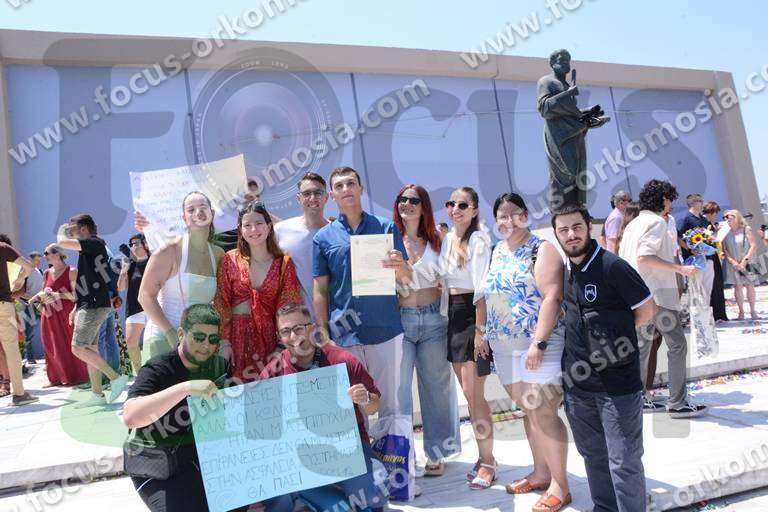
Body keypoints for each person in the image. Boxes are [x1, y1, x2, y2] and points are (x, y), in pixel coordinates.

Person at [552, 203, 656, 512]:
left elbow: (647, 309)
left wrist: (616, 339)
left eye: (576, 227)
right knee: (593, 457)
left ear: (590, 228)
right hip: (579, 388)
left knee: (624, 461)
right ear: (557, 235)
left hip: (617, 387)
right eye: (563, 230)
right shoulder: (566, 272)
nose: (571, 235)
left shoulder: (613, 266)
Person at [481, 193, 570, 511]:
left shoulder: (541, 249)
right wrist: (485, 333)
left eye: (515, 213)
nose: (509, 220)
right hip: (504, 347)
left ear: (526, 215)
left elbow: (553, 297)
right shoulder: (497, 250)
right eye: (502, 216)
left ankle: (561, 485)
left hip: (538, 345)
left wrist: (538, 343)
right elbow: (491, 295)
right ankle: (541, 473)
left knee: (544, 411)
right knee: (529, 410)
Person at [261, 303, 387, 512]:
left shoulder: (342, 360)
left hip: (348, 450)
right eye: (285, 331)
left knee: (376, 490)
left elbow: (374, 407)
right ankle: (313, 496)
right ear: (279, 337)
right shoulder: (271, 374)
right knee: (275, 494)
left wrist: (365, 398)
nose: (293, 336)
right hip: (298, 456)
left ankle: (317, 497)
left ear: (311, 328)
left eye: (298, 328)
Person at [122, 304, 246, 512]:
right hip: (156, 466)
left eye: (213, 339)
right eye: (199, 337)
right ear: (181, 334)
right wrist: (186, 388)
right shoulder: (158, 368)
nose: (206, 345)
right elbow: (130, 416)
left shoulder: (218, 366)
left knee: (238, 500)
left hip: (196, 460)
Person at [313, 167, 411, 421]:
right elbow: (320, 290)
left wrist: (400, 266)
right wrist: (323, 333)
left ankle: (395, 449)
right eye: (339, 186)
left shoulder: (386, 227)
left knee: (391, 406)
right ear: (332, 195)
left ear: (361, 189)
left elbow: (407, 279)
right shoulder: (323, 238)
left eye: (350, 183)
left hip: (385, 330)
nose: (346, 189)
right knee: (353, 407)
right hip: (344, 335)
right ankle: (365, 449)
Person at [618, 180, 707, 418]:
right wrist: (680, 269)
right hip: (658, 293)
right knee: (677, 344)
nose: (670, 205)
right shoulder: (656, 222)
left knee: (642, 347)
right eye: (669, 200)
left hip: (636, 296)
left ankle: (639, 399)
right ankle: (677, 402)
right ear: (663, 199)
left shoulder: (632, 224)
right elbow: (644, 256)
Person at [393, 184, 460, 476]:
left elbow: (453, 276)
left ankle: (437, 453)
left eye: (414, 200)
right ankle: (401, 455)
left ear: (424, 207)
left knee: (437, 387)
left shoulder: (438, 240)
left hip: (434, 320)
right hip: (400, 320)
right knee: (399, 391)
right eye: (402, 199)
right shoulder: (388, 239)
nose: (406, 204)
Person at [439, 186, 495, 490]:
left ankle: (488, 462)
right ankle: (483, 456)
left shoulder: (479, 239)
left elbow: (482, 288)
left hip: (473, 316)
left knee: (476, 396)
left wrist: (480, 331)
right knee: (470, 397)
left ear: (474, 209)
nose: (455, 209)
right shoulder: (448, 239)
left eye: (463, 204)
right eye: (451, 204)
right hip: (454, 316)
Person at [214, 201, 302, 382]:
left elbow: (289, 307)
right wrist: (224, 342)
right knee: (236, 393)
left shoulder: (283, 263)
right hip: (235, 343)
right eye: (247, 225)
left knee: (271, 392)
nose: (254, 229)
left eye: (259, 223)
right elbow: (221, 303)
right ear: (240, 230)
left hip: (271, 343)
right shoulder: (229, 259)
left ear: (269, 226)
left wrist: (281, 346)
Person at [139, 192, 224, 363]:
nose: (198, 212)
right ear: (184, 218)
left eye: (203, 207)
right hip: (163, 340)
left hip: (199, 346)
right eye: (191, 210)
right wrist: (170, 333)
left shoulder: (218, 254)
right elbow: (145, 296)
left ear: (212, 213)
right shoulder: (169, 250)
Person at [56, 214, 130, 407]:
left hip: (94, 306)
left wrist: (62, 229)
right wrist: (76, 306)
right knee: (90, 349)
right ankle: (97, 395)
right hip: (89, 304)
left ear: (83, 229)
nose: (70, 231)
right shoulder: (89, 248)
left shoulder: (94, 243)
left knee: (78, 348)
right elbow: (87, 282)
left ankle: (115, 378)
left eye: (72, 228)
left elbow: (62, 242)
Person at [273, 172, 330, 318]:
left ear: (326, 197)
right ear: (299, 198)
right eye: (307, 193)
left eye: (318, 192)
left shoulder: (337, 232)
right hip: (298, 322)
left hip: (337, 317)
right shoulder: (280, 231)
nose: (312, 198)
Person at [31, 244, 88, 387]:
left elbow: (76, 296)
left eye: (46, 253)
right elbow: (43, 292)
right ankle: (55, 378)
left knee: (68, 343)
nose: (44, 256)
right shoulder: (46, 273)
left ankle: (75, 376)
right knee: (51, 344)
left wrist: (58, 295)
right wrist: (38, 301)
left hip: (66, 313)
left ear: (57, 254)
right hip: (48, 314)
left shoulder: (71, 271)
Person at [0, 234, 38, 405]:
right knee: (11, 349)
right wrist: (20, 279)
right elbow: (29, 266)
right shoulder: (3, 247)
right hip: (3, 304)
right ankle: (19, 394)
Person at [118, 234, 150, 374]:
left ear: (145, 244)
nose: (132, 246)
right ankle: (139, 374)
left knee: (155, 342)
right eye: (130, 244)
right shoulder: (130, 264)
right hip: (134, 307)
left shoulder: (153, 261)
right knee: (131, 342)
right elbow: (121, 288)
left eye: (135, 243)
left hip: (153, 307)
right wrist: (123, 271)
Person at [677, 193, 715, 303]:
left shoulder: (704, 219)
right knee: (696, 290)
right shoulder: (686, 219)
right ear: (692, 203)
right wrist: (690, 249)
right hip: (694, 260)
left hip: (708, 257)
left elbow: (710, 235)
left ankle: (706, 311)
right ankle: (697, 313)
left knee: (707, 289)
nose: (703, 203)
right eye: (700, 201)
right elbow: (679, 238)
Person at [722, 209, 760, 320]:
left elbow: (753, 246)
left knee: (750, 286)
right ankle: (741, 312)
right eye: (725, 217)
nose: (727, 219)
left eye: (729, 217)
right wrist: (733, 262)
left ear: (737, 217)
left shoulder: (746, 229)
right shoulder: (725, 232)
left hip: (749, 261)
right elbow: (724, 249)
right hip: (733, 263)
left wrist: (744, 261)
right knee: (737, 287)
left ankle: (753, 311)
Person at [702, 202, 728, 322]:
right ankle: (716, 314)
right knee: (713, 285)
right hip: (709, 255)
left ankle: (719, 314)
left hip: (714, 255)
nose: (715, 215)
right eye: (715, 213)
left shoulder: (711, 224)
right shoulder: (704, 223)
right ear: (711, 212)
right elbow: (709, 239)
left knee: (717, 284)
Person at [19, 251, 45, 364]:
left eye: (39, 260)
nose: (38, 262)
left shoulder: (40, 271)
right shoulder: (24, 272)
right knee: (29, 333)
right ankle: (28, 358)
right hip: (29, 306)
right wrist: (32, 300)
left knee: (46, 330)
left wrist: (41, 301)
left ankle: (49, 357)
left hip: (41, 305)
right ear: (30, 259)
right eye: (36, 260)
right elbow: (19, 292)